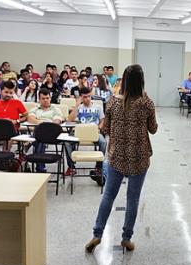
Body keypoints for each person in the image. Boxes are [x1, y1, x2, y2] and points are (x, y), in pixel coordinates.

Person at [84, 64, 157, 253]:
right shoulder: (146, 103)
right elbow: (153, 129)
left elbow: (105, 128)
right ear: (141, 81)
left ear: (123, 80)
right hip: (139, 157)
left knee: (108, 195)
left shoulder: (113, 102)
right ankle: (126, 238)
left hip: (116, 155)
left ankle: (97, 234)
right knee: (132, 198)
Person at [65, 87, 106, 177]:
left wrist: (99, 128)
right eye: (84, 97)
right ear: (81, 97)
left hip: (94, 132)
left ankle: (98, 167)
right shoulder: (79, 107)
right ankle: (71, 167)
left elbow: (102, 120)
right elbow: (69, 119)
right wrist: (76, 105)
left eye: (88, 96)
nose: (87, 99)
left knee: (103, 142)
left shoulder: (98, 107)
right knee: (67, 142)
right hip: (80, 133)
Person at [0, 80, 28, 151]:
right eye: (6, 92)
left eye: (11, 93)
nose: (8, 95)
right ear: (1, 91)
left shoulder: (17, 103)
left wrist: (16, 121)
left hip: (11, 129)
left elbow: (27, 116)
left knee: (8, 133)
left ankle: (5, 158)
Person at [27, 88, 63, 172]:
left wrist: (41, 123)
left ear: (50, 98)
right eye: (43, 98)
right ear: (39, 99)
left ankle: (39, 165)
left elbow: (56, 121)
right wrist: (41, 123)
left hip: (52, 133)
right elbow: (30, 118)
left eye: (47, 98)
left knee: (40, 138)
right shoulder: (35, 109)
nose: (45, 100)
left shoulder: (55, 109)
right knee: (40, 138)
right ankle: (40, 166)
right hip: (38, 132)